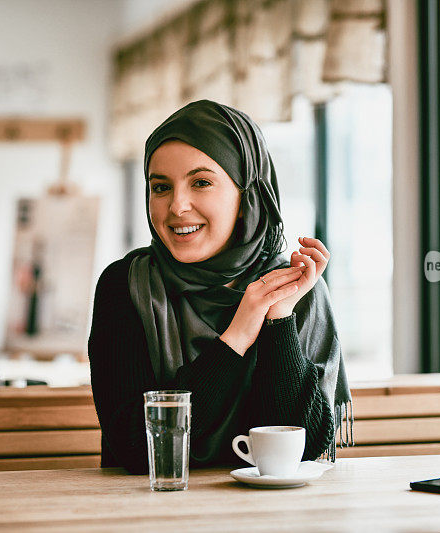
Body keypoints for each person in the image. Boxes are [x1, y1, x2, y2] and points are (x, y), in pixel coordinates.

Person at [88, 100, 351, 474]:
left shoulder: (293, 287)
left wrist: (278, 321)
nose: (177, 206)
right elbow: (135, 446)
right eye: (160, 187)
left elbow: (302, 447)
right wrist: (238, 335)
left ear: (248, 197)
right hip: (153, 515)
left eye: (201, 182)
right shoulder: (126, 286)